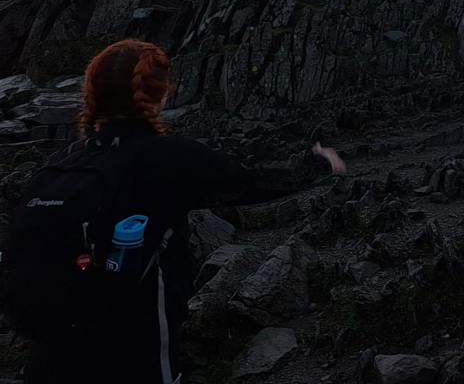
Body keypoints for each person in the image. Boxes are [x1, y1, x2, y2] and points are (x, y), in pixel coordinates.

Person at [3, 40, 345, 384]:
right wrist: (320, 162)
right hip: (132, 346)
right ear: (158, 94)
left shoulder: (64, 163)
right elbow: (252, 182)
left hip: (50, 351)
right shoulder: (168, 157)